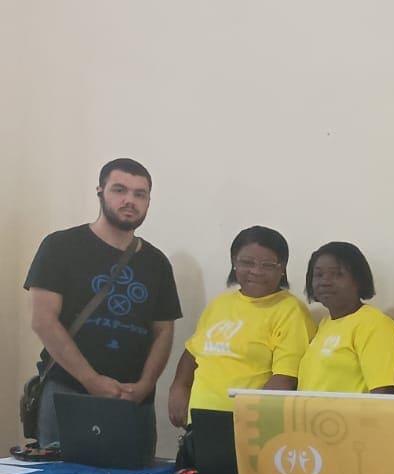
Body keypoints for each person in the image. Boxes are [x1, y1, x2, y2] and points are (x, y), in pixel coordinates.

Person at [25, 158, 181, 450]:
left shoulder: (157, 262)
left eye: (140, 194)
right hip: (68, 390)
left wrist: (146, 385)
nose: (129, 200)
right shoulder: (61, 246)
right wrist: (91, 380)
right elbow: (43, 321)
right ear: (100, 192)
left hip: (133, 399)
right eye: (119, 190)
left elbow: (163, 331)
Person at [166, 226, 314, 425]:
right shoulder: (220, 304)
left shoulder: (291, 311)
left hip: (247, 427)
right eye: (247, 262)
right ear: (234, 262)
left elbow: (285, 378)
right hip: (199, 421)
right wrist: (179, 388)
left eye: (267, 265)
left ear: (282, 268)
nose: (256, 271)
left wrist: (252, 424)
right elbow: (193, 352)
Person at [297, 242, 394, 394]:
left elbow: (382, 392)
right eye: (318, 275)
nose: (325, 282)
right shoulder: (325, 324)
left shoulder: (374, 324)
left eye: (337, 274)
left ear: (358, 280)